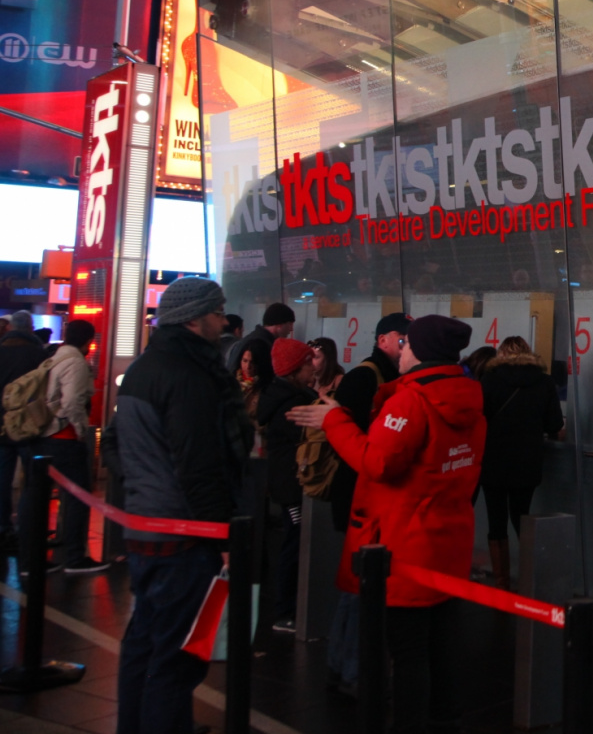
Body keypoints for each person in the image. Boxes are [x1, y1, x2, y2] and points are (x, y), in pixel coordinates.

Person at [289, 314, 485, 734]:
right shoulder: (469, 398)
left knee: (408, 651)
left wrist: (335, 421)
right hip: (449, 541)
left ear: (422, 352)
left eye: (408, 344)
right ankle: (444, 718)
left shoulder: (411, 402)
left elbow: (377, 463)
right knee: (442, 643)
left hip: (405, 545)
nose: (401, 350)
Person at [113, 277, 251, 734]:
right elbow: (200, 464)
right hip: (185, 534)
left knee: (145, 644)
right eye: (216, 312)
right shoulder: (189, 375)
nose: (223, 320)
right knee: (177, 656)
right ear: (194, 318)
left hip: (145, 525)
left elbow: (115, 449)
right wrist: (223, 533)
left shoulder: (144, 367)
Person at [320, 312, 410, 695]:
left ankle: (342, 665)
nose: (406, 346)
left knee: (357, 586)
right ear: (384, 339)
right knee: (362, 586)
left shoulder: (388, 376)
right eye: (402, 339)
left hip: (368, 488)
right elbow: (349, 437)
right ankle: (353, 670)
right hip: (361, 490)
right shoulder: (366, 376)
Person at [20, 319, 108, 574]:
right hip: (64, 439)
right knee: (78, 498)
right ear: (89, 340)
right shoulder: (76, 363)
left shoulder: (53, 358)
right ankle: (74, 557)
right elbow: (71, 403)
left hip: (41, 438)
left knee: (34, 500)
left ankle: (30, 561)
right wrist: (81, 430)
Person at [477, 337, 563, 590]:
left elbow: (478, 419)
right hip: (527, 463)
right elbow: (554, 425)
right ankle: (529, 579)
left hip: (493, 461)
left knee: (496, 521)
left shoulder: (489, 381)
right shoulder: (545, 382)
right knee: (522, 518)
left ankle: (501, 581)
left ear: (502, 354)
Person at [256, 337, 317, 635]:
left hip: (285, 481)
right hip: (293, 483)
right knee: (294, 543)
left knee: (294, 541)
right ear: (295, 368)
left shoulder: (281, 397)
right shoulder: (295, 404)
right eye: (308, 362)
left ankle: (289, 606)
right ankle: (285, 610)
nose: (314, 367)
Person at [0, 310, 46, 555]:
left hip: (1, 426)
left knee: (2, 480)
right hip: (30, 427)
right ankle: (27, 529)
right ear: (31, 327)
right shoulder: (37, 354)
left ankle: (2, 526)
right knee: (31, 481)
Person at [227, 302, 296, 372]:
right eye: (290, 324)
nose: (291, 329)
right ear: (280, 324)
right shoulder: (260, 345)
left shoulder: (253, 339)